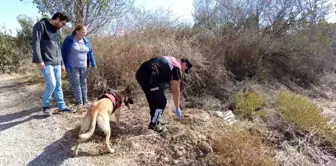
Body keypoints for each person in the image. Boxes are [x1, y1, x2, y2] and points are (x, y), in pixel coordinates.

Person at [135, 56, 193, 132]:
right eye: (185, 69)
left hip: (141, 73)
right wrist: (177, 108)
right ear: (184, 64)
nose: (183, 71)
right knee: (161, 102)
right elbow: (176, 90)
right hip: (149, 75)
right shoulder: (177, 67)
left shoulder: (171, 60)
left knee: (154, 100)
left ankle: (156, 120)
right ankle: (154, 124)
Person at [32, 12, 74, 116]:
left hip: (57, 62)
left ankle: (62, 107)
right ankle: (46, 106)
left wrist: (62, 63)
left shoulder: (58, 31)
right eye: (63, 24)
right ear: (57, 19)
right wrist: (39, 60)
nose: (63, 26)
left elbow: (58, 48)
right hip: (46, 61)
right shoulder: (41, 25)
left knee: (58, 85)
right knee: (52, 84)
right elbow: (35, 43)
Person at [61, 24, 97, 111]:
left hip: (84, 66)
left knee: (84, 83)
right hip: (73, 66)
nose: (84, 34)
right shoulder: (69, 40)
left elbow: (90, 52)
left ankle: (85, 101)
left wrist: (93, 63)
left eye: (85, 32)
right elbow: (63, 53)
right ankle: (79, 102)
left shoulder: (86, 40)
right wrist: (63, 64)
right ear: (77, 31)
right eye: (83, 32)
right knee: (76, 84)